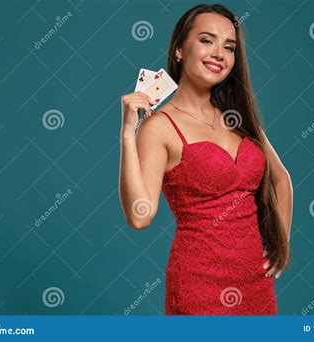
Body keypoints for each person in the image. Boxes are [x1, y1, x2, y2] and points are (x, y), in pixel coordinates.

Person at [119, 3, 293, 315]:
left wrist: (280, 243)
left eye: (229, 46)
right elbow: (139, 216)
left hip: (257, 287)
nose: (219, 53)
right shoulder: (160, 126)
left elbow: (281, 179)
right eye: (206, 40)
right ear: (179, 50)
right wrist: (128, 134)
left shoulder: (238, 117)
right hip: (198, 287)